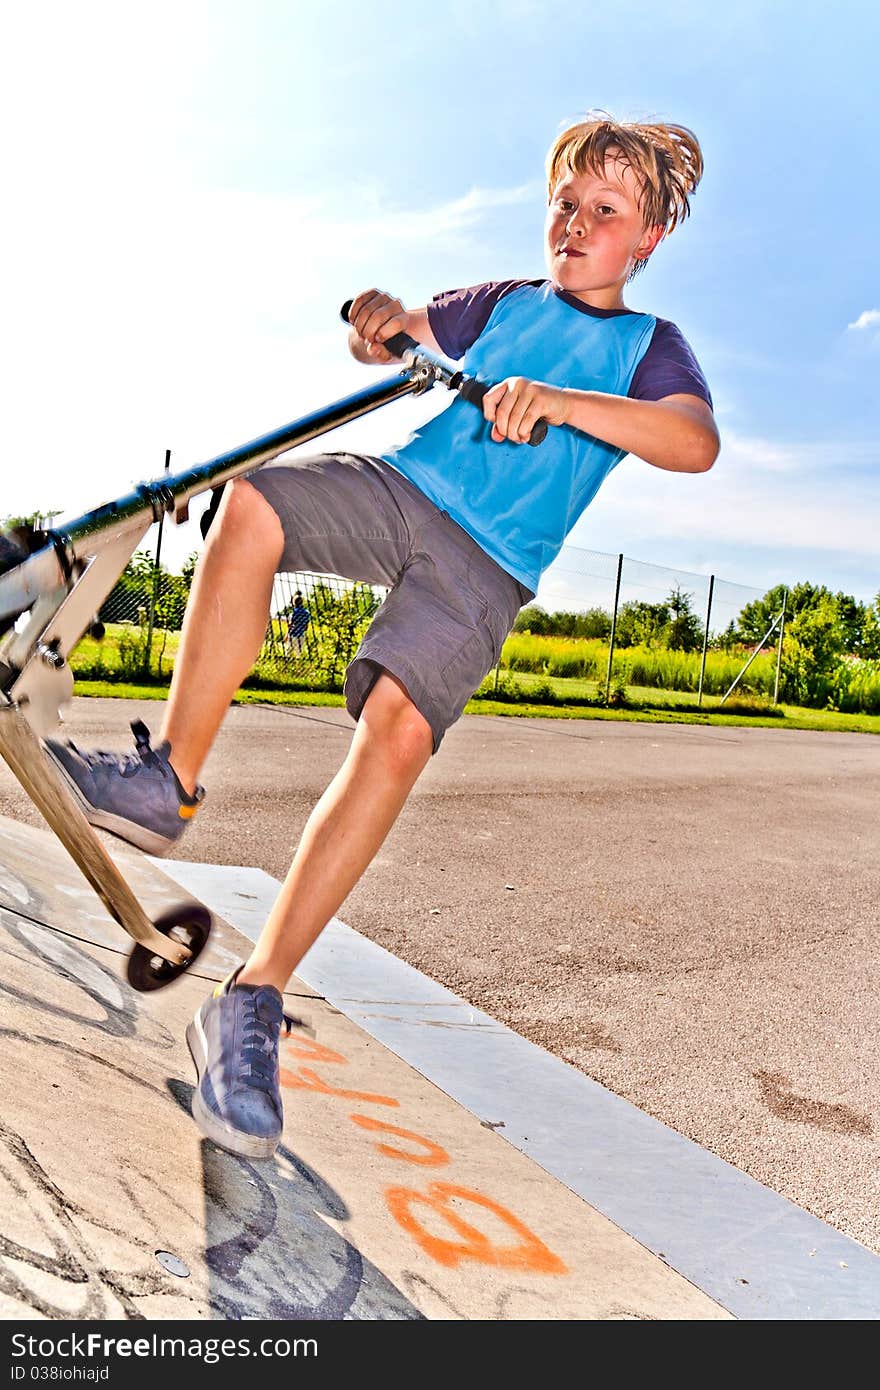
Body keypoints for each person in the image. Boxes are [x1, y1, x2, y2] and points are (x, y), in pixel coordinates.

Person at [45, 115, 719, 1160]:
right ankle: (166, 778)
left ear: (647, 241)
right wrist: (376, 319)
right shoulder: (501, 301)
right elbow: (405, 324)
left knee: (400, 730)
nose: (574, 225)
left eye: (604, 213)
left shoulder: (647, 348)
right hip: (403, 488)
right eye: (565, 203)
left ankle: (252, 1000)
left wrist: (567, 403)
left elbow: (692, 440)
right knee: (254, 502)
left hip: (488, 566)